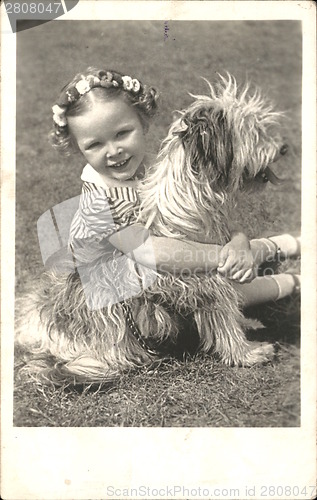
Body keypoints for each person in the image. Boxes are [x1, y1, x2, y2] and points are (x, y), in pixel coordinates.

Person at [49, 67, 300, 308]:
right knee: (226, 292)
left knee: (227, 270)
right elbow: (152, 252)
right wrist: (224, 255)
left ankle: (282, 245)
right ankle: (292, 282)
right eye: (95, 145)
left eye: (122, 133)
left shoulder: (153, 167)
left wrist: (238, 242)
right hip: (127, 295)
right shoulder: (101, 202)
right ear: (76, 149)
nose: (114, 151)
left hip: (171, 269)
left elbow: (210, 215)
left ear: (143, 123)